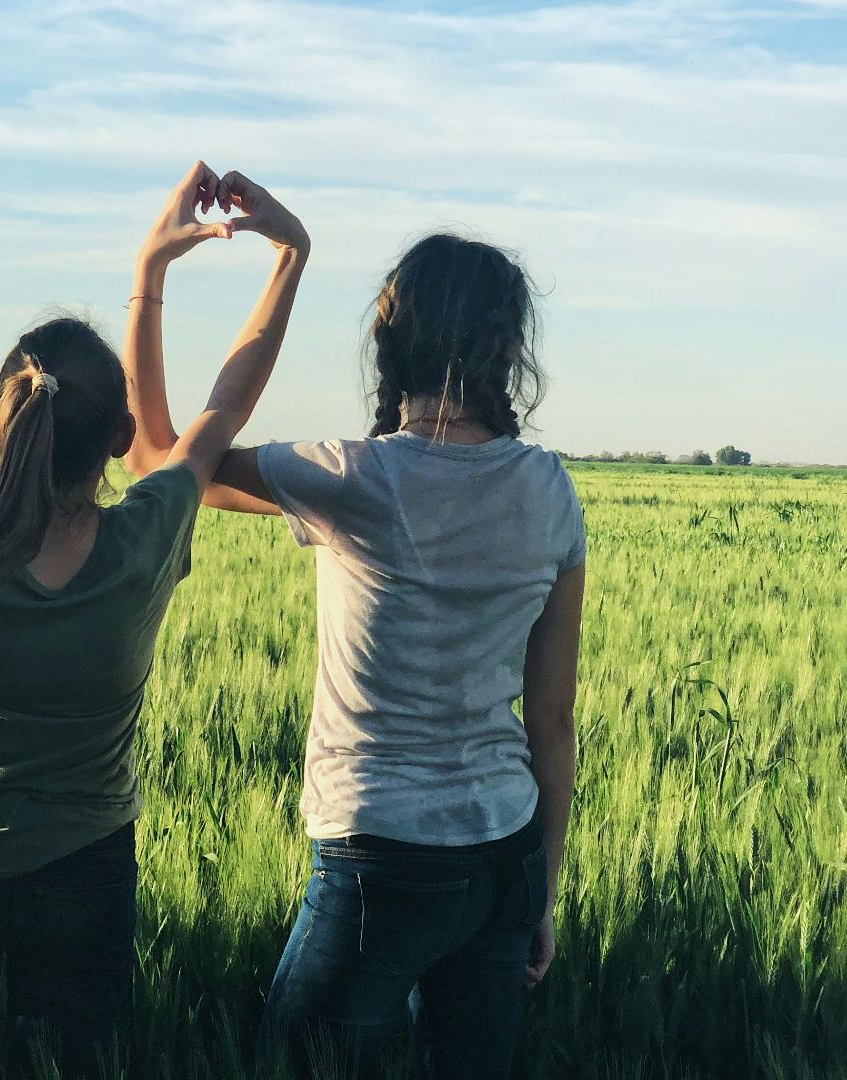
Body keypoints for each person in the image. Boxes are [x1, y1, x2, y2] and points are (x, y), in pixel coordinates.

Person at [0, 162, 308, 1080]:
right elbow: (224, 405)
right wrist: (277, 257)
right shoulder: (146, 539)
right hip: (89, 872)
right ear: (115, 434)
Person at [125, 218, 586, 1077]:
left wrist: (151, 272)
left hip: (381, 858)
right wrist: (541, 898)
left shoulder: (354, 476)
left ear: (391, 339)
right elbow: (551, 723)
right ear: (508, 348)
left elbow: (157, 459)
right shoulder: (550, 491)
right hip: (507, 857)